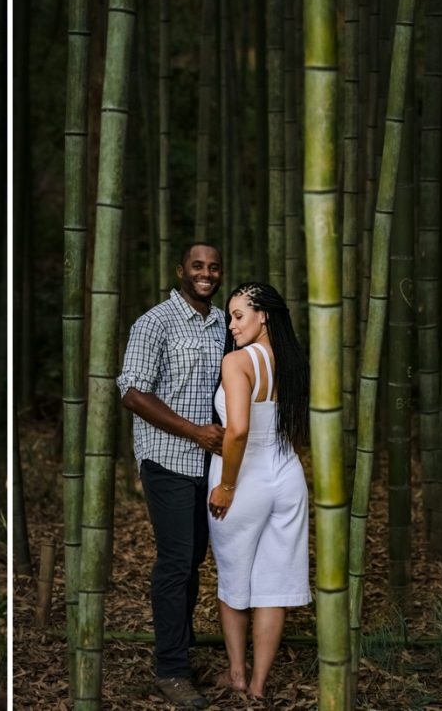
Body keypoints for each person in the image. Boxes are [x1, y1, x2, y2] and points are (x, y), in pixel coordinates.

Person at [117, 242, 227, 709]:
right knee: (176, 561)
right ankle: (171, 671)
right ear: (180, 270)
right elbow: (132, 393)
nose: (206, 273)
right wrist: (195, 432)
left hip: (211, 464)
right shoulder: (154, 322)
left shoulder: (224, 323)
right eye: (197, 266)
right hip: (167, 459)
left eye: (214, 267)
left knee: (193, 561)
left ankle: (180, 648)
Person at [206, 282, 311, 699]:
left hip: (243, 478)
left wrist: (226, 486)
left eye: (238, 315)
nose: (231, 325)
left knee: (234, 579)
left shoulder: (237, 362)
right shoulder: (292, 361)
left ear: (263, 315)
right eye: (230, 317)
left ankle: (237, 674)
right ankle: (259, 685)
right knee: (274, 584)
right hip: (287, 474)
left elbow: (238, 430)